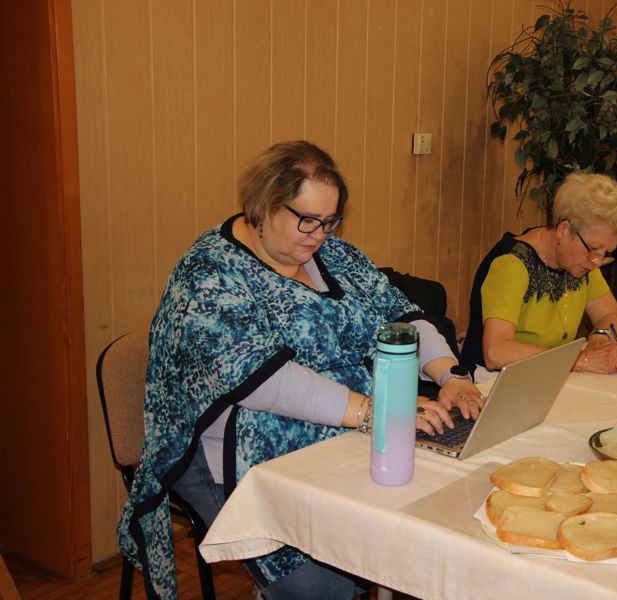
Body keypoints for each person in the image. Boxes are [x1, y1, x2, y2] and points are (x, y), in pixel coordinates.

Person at [118, 141, 485, 600]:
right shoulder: (210, 273)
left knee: (421, 515)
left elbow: (402, 316)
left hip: (337, 430)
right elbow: (262, 381)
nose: (318, 235)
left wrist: (451, 376)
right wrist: (377, 412)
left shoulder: (335, 256)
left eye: (329, 221)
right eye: (306, 220)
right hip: (229, 451)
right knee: (322, 583)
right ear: (261, 207)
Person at [460, 172, 617, 375]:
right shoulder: (511, 264)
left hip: (548, 373)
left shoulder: (581, 261)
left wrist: (601, 337)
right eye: (594, 249)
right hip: (493, 381)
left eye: (605, 253)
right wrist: (582, 359)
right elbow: (496, 352)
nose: (597, 261)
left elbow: (610, 314)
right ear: (563, 230)